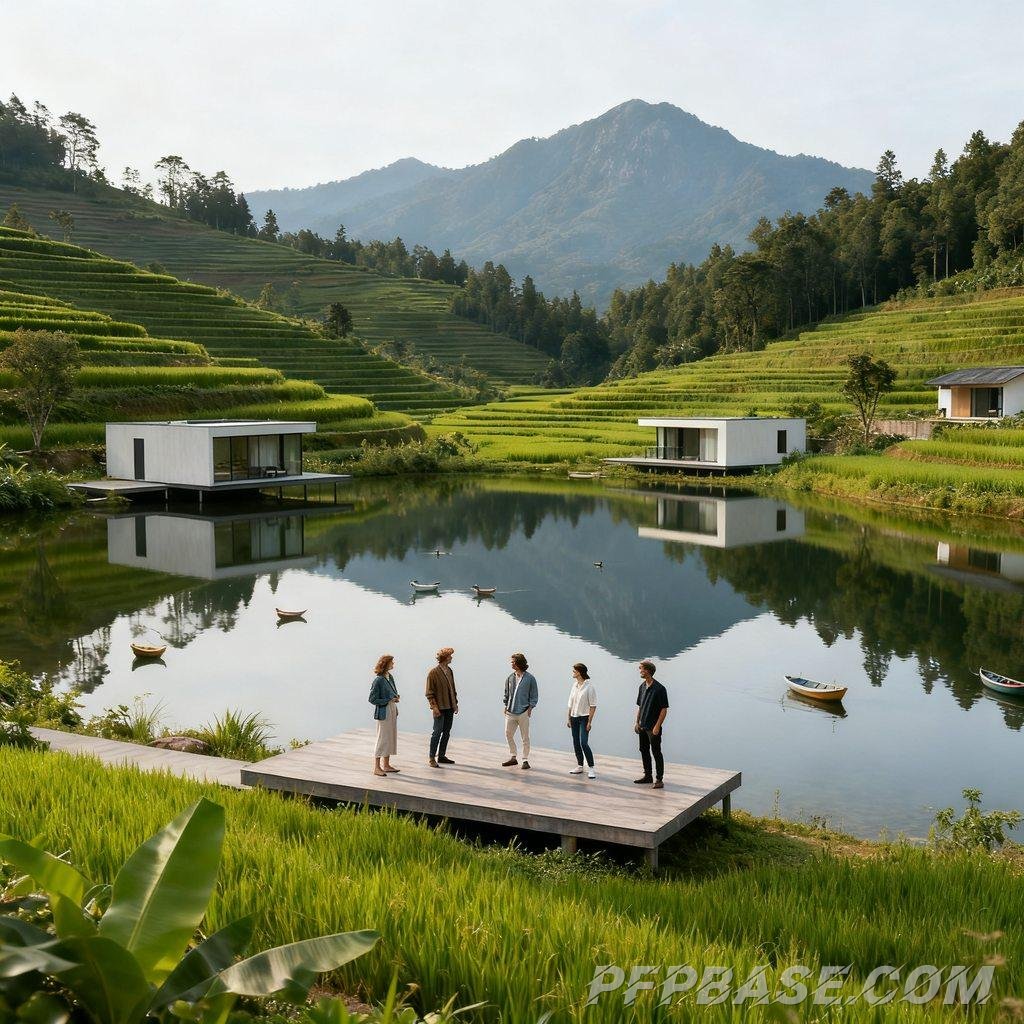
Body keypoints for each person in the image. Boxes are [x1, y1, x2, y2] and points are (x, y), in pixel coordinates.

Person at [633, 659, 669, 789]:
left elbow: (664, 709)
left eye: (641, 668)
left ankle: (659, 780)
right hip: (642, 725)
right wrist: (637, 722)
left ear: (647, 671)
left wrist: (657, 726)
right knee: (643, 750)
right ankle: (648, 776)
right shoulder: (642, 686)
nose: (640, 671)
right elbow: (640, 706)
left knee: (656, 752)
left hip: (653, 727)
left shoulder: (659, 689)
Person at [502, 652, 538, 769]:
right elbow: (506, 693)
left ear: (518, 663)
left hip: (523, 712)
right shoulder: (510, 678)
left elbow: (534, 695)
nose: (511, 664)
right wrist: (505, 705)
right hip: (510, 711)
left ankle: (525, 760)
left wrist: (530, 707)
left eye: (513, 662)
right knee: (508, 734)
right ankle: (513, 757)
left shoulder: (530, 679)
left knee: (525, 737)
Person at [426, 646, 458, 768]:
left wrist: (455, 704)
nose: (451, 658)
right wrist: (434, 707)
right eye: (450, 656)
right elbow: (429, 692)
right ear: (445, 658)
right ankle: (431, 758)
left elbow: (452, 688)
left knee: (446, 732)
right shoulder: (433, 673)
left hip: (450, 706)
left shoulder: (450, 671)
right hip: (439, 708)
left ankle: (442, 756)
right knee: (437, 732)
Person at [368, 653, 400, 777]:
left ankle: (386, 765)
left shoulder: (389, 677)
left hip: (392, 709)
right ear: (386, 664)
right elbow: (372, 699)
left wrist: (395, 698)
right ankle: (377, 767)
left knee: (390, 737)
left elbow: (392, 693)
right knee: (382, 739)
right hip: (384, 711)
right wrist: (387, 700)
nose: (393, 664)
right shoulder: (379, 680)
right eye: (392, 662)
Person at [566, 662, 597, 778]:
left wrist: (590, 722)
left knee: (583, 742)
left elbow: (593, 705)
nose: (573, 673)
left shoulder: (589, 687)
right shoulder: (574, 685)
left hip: (584, 718)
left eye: (574, 671)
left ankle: (591, 768)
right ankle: (580, 765)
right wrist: (568, 718)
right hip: (573, 717)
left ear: (579, 672)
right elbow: (570, 703)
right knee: (576, 742)